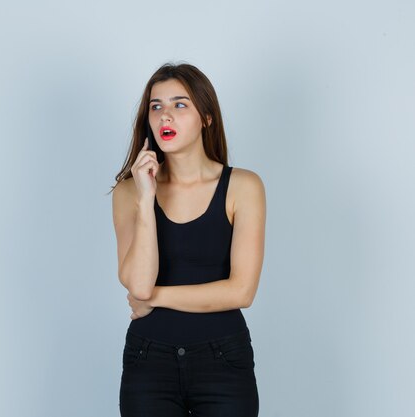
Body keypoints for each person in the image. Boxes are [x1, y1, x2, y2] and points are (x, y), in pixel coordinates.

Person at [110, 62, 266, 417]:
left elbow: (241, 291)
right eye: (156, 106)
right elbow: (138, 282)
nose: (166, 116)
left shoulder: (243, 187)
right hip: (149, 361)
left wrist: (155, 298)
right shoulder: (129, 192)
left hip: (223, 360)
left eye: (180, 105)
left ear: (206, 117)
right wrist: (146, 199)